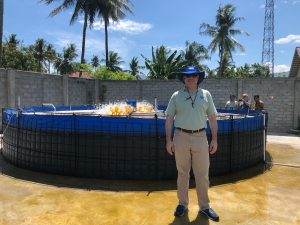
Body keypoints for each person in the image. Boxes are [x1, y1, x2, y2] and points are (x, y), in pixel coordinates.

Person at [165, 66, 219, 222]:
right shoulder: (176, 96)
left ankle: (205, 207)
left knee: (202, 174)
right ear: (183, 78)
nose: (190, 78)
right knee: (182, 173)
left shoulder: (206, 95)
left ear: (198, 78)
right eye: (187, 76)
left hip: (201, 137)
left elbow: (213, 118)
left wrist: (214, 139)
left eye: (194, 75)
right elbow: (169, 119)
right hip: (180, 136)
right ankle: (182, 204)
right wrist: (168, 140)